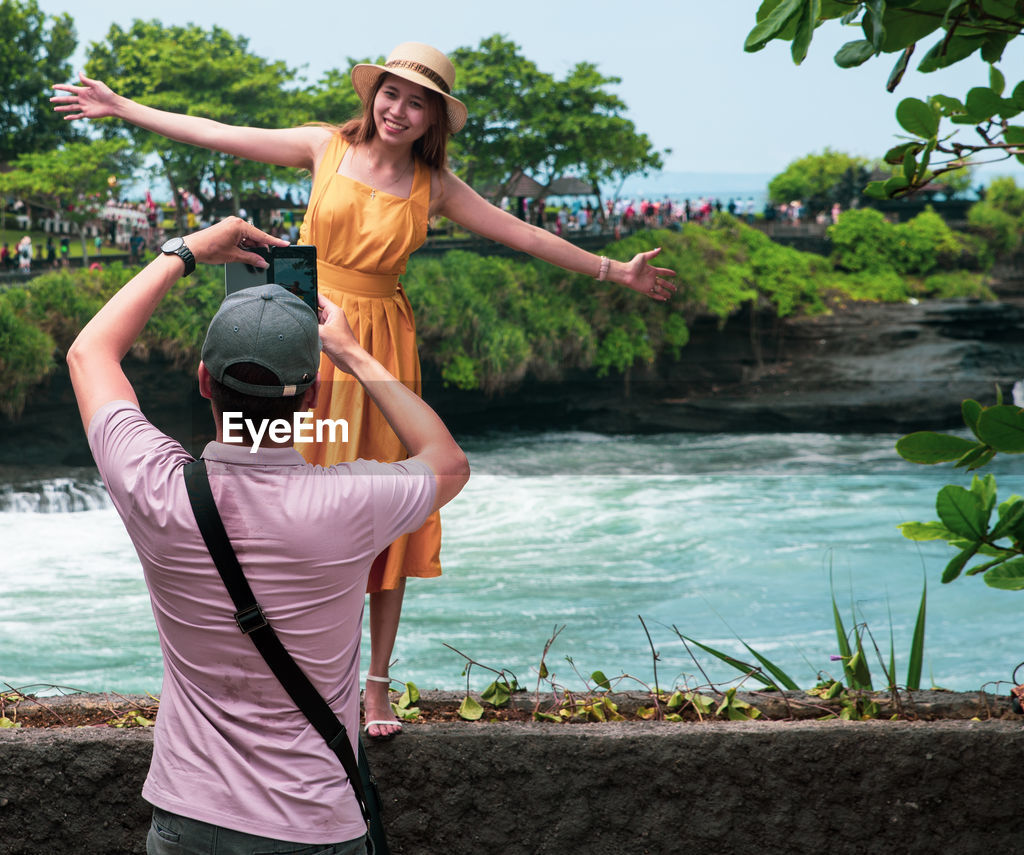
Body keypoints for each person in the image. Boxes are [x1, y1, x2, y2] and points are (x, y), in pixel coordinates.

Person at [54, 40, 677, 739]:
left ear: (434, 117)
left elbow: (523, 235)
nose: (398, 110)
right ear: (372, 93)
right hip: (299, 326)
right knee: (277, 496)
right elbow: (215, 131)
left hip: (377, 342)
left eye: (417, 102)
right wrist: (119, 108)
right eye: (391, 93)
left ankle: (373, 685)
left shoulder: (432, 185)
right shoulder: (323, 147)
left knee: (384, 511)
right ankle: (275, 664)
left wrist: (615, 271)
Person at [68, 215, 468, 854]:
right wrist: (352, 352)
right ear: (310, 397)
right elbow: (446, 462)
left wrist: (188, 251)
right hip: (312, 823)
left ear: (203, 382)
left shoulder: (157, 487)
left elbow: (90, 352)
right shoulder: (347, 502)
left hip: (187, 820)